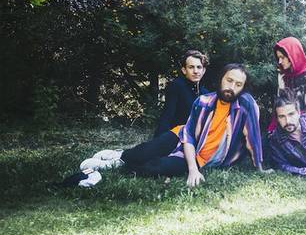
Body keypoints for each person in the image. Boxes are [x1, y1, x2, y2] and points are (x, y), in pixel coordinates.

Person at [81, 63, 267, 187]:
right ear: (221, 79)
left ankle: (121, 166)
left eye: (238, 84)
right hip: (182, 137)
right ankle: (120, 157)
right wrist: (192, 170)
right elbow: (188, 136)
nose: (232, 88)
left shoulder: (245, 106)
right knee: (146, 151)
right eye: (229, 80)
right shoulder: (203, 101)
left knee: (157, 167)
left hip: (199, 157)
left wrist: (259, 167)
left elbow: (253, 137)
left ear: (243, 88)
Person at [79, 50, 208, 177]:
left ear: (204, 70)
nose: (196, 71)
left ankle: (125, 162)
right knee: (148, 154)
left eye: (199, 67)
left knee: (158, 165)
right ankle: (118, 158)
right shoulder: (177, 86)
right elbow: (167, 115)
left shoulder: (206, 95)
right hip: (172, 136)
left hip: (188, 143)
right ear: (184, 70)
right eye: (191, 67)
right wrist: (159, 141)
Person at [267, 37, 306, 134]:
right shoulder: (283, 75)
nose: (280, 61)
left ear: (293, 55)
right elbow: (280, 104)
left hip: (305, 127)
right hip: (284, 123)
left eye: (282, 57)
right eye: (278, 58)